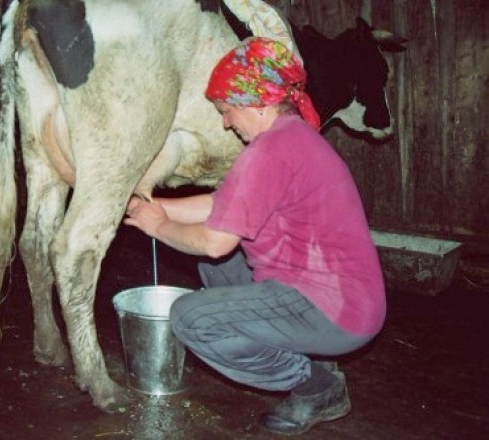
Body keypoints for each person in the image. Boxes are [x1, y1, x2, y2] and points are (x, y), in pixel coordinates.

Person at [124, 37, 386, 436]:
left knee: (191, 318)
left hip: (338, 312)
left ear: (257, 103)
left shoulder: (270, 152)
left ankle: (317, 387)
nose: (226, 122)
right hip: (338, 294)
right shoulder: (288, 136)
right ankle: (314, 357)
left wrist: (158, 227)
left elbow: (215, 240)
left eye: (227, 111)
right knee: (220, 269)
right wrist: (152, 206)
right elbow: (220, 204)